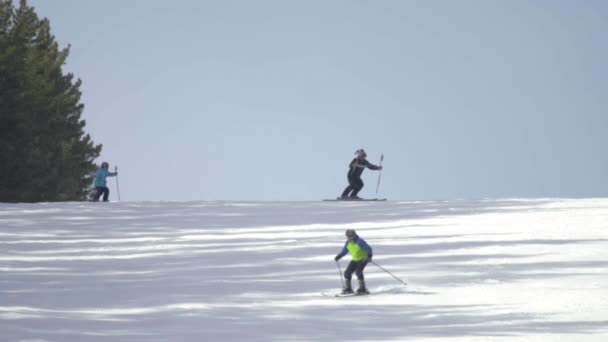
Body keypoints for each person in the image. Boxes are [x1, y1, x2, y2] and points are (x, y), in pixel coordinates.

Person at [334, 229, 373, 294]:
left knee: (358, 271)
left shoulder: (359, 241)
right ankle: (348, 289)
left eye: (351, 236)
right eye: (348, 236)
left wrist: (369, 256)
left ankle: (362, 288)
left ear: (354, 235)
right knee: (347, 273)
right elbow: (345, 250)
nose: (349, 237)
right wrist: (339, 256)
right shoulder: (348, 243)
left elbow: (368, 248)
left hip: (363, 259)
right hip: (355, 260)